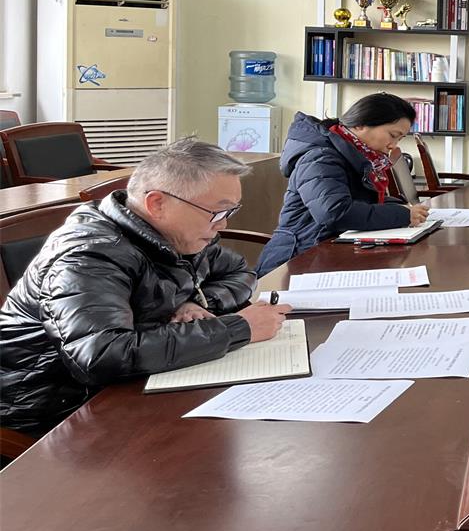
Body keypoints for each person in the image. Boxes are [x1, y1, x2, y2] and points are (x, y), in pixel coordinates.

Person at [0, 138, 290, 439]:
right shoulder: (89, 256)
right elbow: (100, 356)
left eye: (230, 212)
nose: (223, 225)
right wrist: (239, 328)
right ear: (157, 204)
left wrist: (196, 304)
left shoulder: (177, 236)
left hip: (125, 389)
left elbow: (239, 271)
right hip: (49, 414)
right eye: (217, 212)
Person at [257, 93, 429, 275]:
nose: (393, 145)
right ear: (360, 124)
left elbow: (359, 199)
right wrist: (402, 214)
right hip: (295, 261)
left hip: (327, 252)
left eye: (399, 139)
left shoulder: (353, 154)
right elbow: (334, 212)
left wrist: (401, 207)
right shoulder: (320, 157)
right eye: (393, 135)